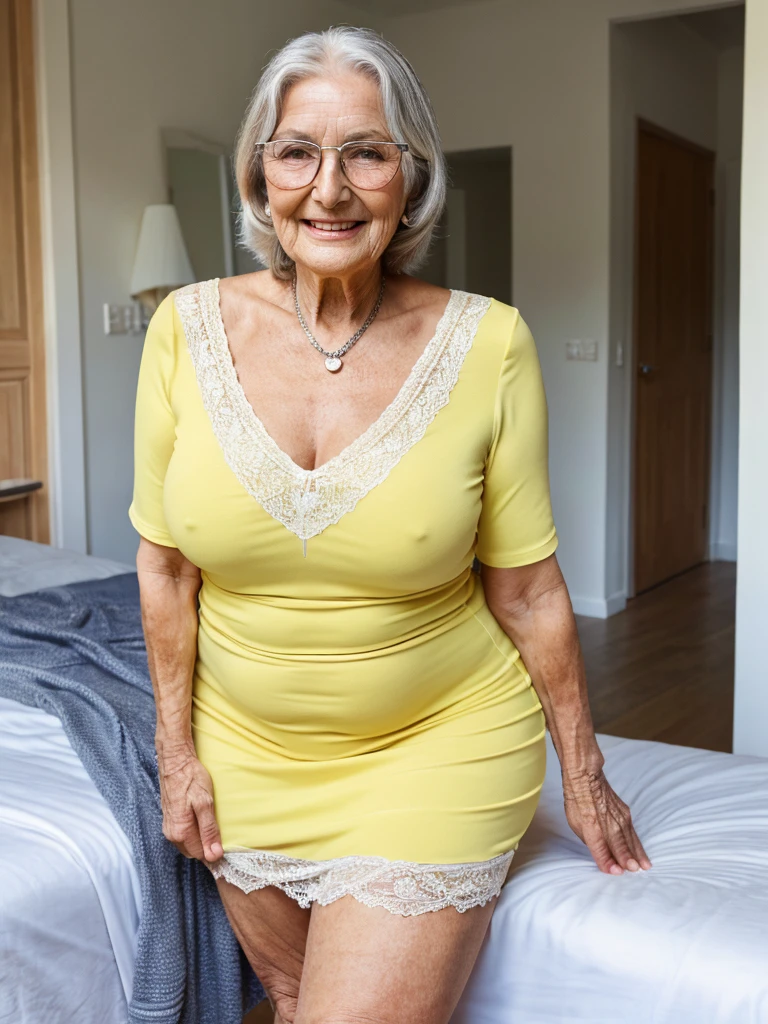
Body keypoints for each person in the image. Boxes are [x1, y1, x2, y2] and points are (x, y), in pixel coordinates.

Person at [129, 24, 651, 1024]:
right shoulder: (183, 331)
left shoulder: (490, 344)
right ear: (260, 175)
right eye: (297, 152)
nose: (329, 188)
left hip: (435, 744)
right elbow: (164, 572)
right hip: (244, 756)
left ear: (409, 178)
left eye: (365, 152)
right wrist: (177, 756)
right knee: (286, 997)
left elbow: (530, 588)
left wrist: (583, 773)